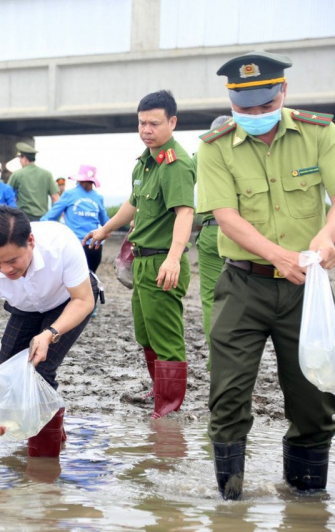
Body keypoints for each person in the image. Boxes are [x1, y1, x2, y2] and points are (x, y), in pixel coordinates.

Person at [197, 51, 335, 500]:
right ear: (230, 102)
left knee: (314, 400)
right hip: (242, 286)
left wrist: (328, 237)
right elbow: (226, 215)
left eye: (264, 106)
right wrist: (280, 255)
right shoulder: (214, 146)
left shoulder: (320, 133)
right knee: (228, 397)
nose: (255, 115)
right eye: (244, 108)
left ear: (284, 93)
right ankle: (230, 503)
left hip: (306, 290)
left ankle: (307, 501)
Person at [84, 90, 195, 419]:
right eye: (142, 123)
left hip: (163, 260)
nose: (146, 129)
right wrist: (105, 230)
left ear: (172, 122)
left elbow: (185, 213)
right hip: (142, 260)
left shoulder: (176, 164)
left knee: (167, 337)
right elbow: (133, 204)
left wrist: (174, 258)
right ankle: (158, 391)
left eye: (154, 123)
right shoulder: (147, 162)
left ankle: (168, 407)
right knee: (145, 333)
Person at [0, 206, 97, 457]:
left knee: (38, 372)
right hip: (24, 308)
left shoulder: (60, 243)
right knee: (8, 379)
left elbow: (84, 301)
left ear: (30, 241)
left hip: (68, 301)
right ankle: (54, 437)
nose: (5, 270)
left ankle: (44, 462)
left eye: (12, 260)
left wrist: (50, 333)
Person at [196, 116, 231, 348]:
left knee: (210, 298)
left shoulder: (201, 154)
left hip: (209, 232)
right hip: (241, 234)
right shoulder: (241, 151)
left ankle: (215, 359)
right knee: (241, 298)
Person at [41, 165, 109, 273]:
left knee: (77, 281)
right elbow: (106, 223)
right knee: (88, 280)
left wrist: (35, 225)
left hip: (85, 246)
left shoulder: (73, 195)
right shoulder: (92, 197)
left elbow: (51, 217)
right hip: (86, 246)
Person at [8, 142, 59, 221]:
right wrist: (54, 218)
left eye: (20, 158)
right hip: (42, 218)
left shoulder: (17, 174)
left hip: (23, 219)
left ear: (24, 158)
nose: (20, 161)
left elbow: (8, 196)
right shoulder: (47, 174)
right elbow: (56, 198)